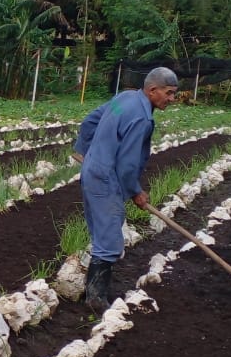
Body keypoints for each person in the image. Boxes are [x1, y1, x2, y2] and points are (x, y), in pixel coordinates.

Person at [73, 66, 180, 311]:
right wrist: (136, 191)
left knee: (102, 233)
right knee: (110, 240)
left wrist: (87, 153)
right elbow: (128, 164)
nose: (172, 99)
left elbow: (90, 121)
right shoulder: (142, 118)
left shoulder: (124, 98)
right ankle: (96, 300)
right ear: (153, 90)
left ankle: (94, 290)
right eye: (169, 93)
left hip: (93, 173)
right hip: (106, 180)